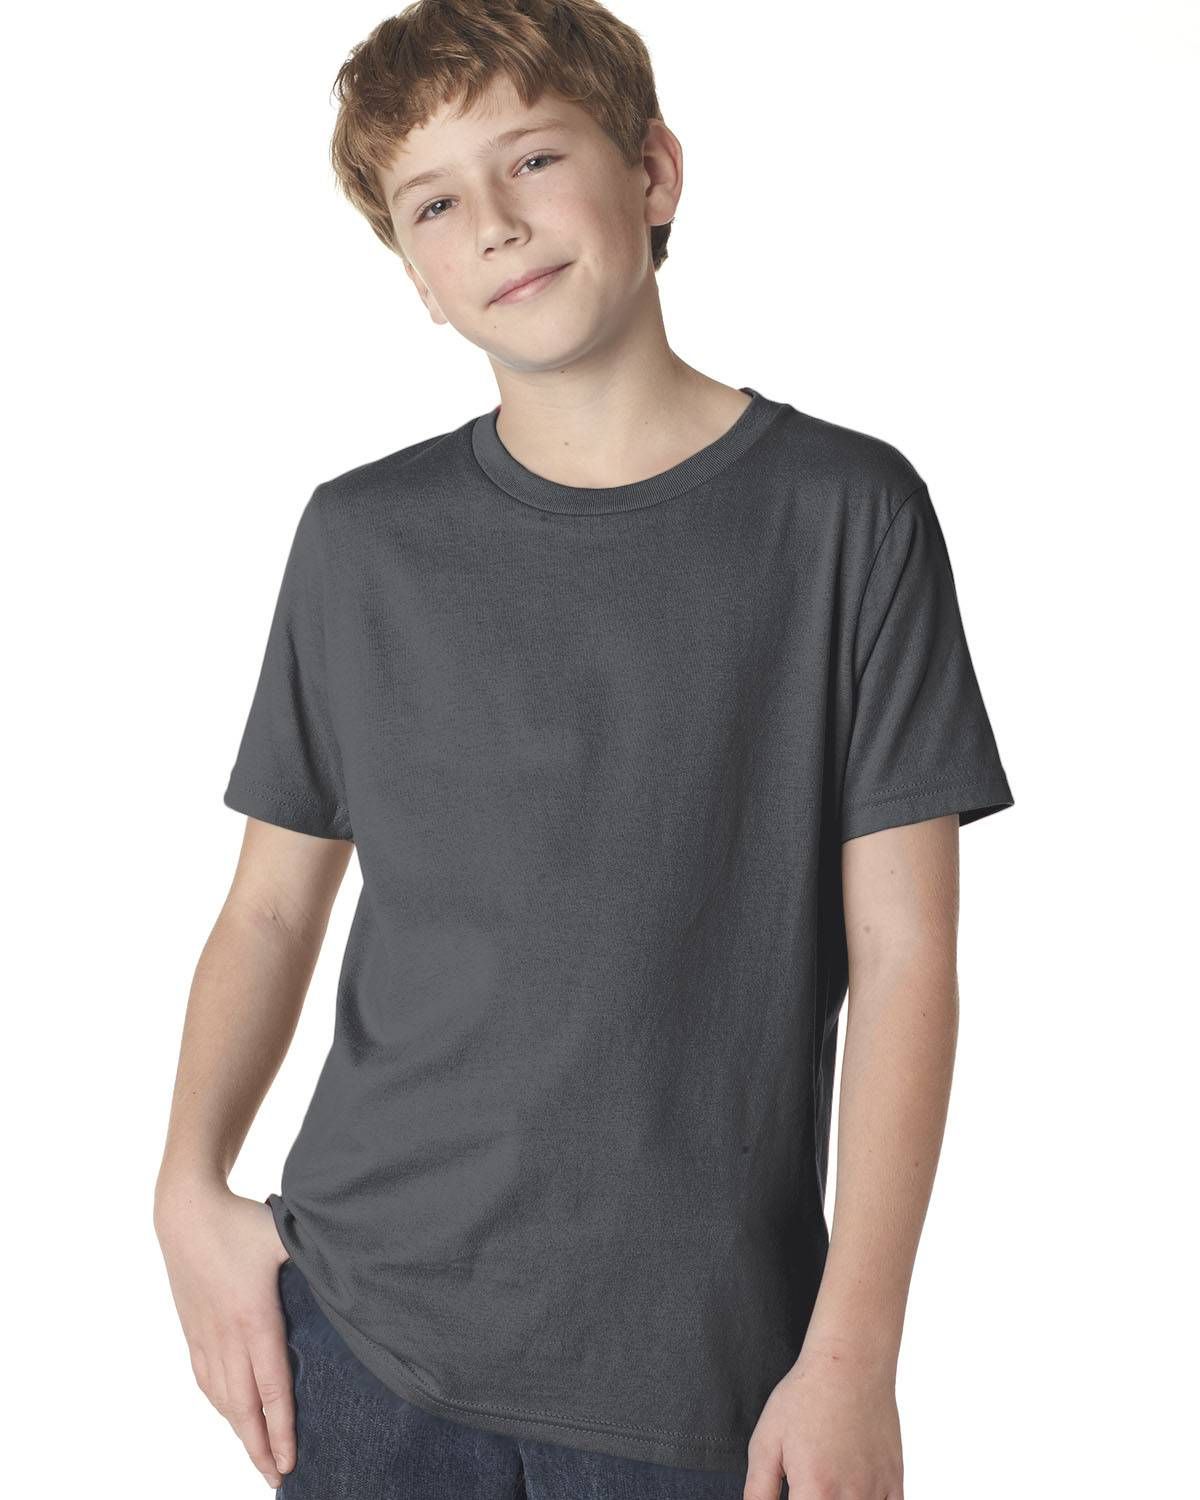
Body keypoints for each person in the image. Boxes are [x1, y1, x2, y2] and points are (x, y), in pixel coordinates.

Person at [152, 2, 1015, 1497]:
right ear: (416, 278)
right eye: (434, 204)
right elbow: (273, 907)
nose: (494, 221)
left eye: (535, 159)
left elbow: (905, 962)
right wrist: (185, 1189)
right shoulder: (361, 542)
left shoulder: (844, 517)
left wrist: (854, 1354)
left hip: (711, 1372)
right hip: (367, 1343)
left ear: (653, 171)